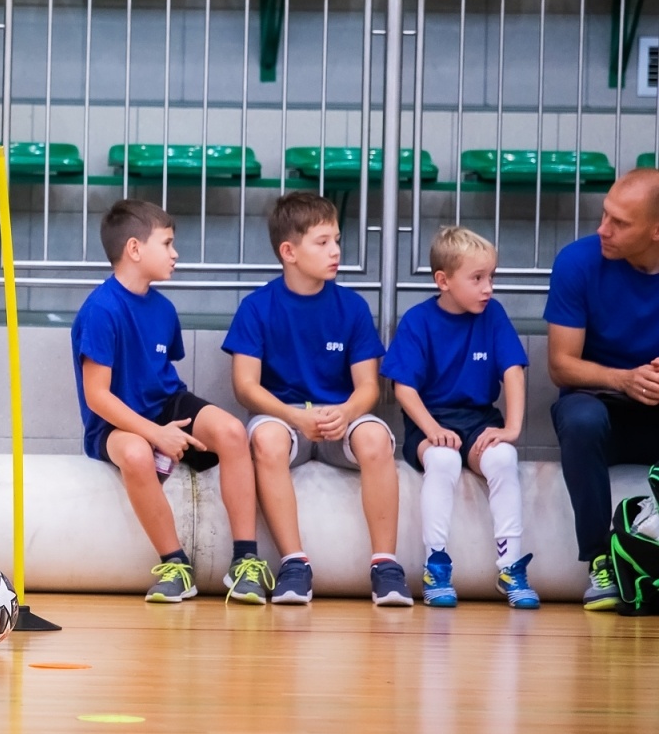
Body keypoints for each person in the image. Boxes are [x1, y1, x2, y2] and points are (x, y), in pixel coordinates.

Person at [71, 200, 269, 604]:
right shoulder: (101, 310)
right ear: (135, 249)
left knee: (232, 431)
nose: (176, 253)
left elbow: (165, 380)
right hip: (114, 421)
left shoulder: (163, 309)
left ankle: (246, 561)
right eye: (168, 243)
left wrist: (170, 427)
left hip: (167, 406)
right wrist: (156, 435)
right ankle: (175, 564)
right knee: (138, 455)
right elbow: (97, 397)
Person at [223, 191, 413, 607]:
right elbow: (246, 387)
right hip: (283, 416)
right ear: (288, 251)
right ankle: (294, 564)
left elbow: (368, 387)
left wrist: (344, 413)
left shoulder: (353, 307)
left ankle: (386, 565)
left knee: (376, 440)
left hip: (338, 419)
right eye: (322, 242)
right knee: (267, 439)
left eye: (337, 240)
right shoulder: (257, 307)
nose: (335, 252)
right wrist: (294, 415)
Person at [383, 227, 536, 608]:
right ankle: (436, 564)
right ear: (443, 281)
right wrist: (432, 430)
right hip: (430, 420)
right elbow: (404, 388)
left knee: (502, 458)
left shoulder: (493, 315)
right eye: (478, 278)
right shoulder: (418, 320)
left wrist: (511, 428)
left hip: (479, 418)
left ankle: (511, 566)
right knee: (442, 459)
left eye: (491, 277)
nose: (488, 288)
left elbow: (513, 370)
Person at [546, 168, 659, 610]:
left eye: (619, 223)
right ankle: (600, 559)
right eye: (604, 215)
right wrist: (624, 379)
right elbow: (560, 365)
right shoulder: (578, 261)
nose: (602, 229)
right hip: (601, 408)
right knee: (580, 417)